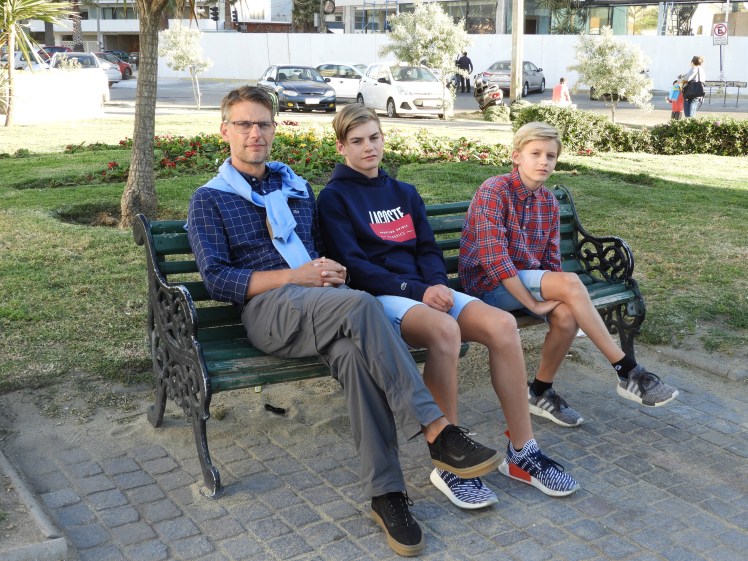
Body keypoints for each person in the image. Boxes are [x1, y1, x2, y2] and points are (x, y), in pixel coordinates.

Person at [187, 86, 501, 557]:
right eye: (244, 124)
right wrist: (296, 276)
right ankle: (437, 430)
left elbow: (321, 252)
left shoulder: (294, 189)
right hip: (268, 312)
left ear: (274, 129)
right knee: (362, 305)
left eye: (264, 123)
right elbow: (216, 279)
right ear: (224, 131)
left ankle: (386, 494)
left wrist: (330, 271)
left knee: (355, 357)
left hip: (320, 303)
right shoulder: (210, 199)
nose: (255, 133)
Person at [317, 104, 580, 511]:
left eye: (374, 137)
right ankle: (450, 462)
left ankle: (522, 451)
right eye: (357, 141)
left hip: (425, 289)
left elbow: (427, 248)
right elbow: (354, 265)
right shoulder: (335, 197)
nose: (368, 147)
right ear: (341, 147)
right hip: (379, 297)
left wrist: (437, 283)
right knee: (446, 330)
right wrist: (416, 290)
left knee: (502, 326)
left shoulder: (404, 192)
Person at [459, 122, 680, 428]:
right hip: (487, 287)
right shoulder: (495, 190)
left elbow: (551, 260)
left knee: (566, 316)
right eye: (535, 153)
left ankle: (540, 391)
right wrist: (534, 304)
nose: (543, 161)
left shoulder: (548, 202)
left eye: (550, 156)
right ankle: (626, 369)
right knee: (570, 283)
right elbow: (494, 260)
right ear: (516, 156)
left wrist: (557, 295)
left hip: (525, 284)